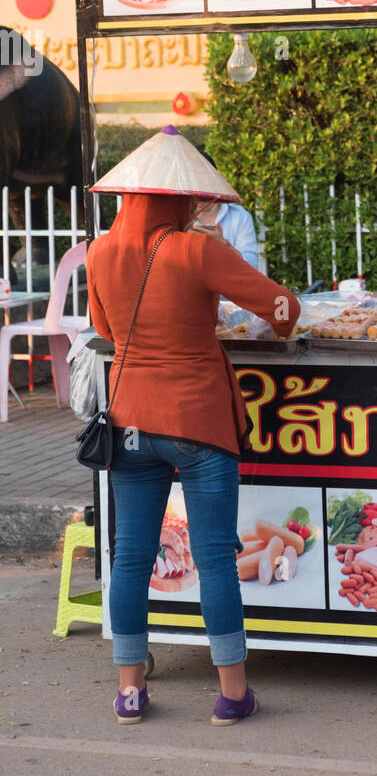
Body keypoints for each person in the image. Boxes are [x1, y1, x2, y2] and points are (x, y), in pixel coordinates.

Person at [86, 126, 299, 727]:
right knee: (213, 556)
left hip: (129, 420)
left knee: (130, 556)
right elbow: (281, 305)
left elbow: (103, 327)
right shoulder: (198, 249)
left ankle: (130, 692)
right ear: (178, 198)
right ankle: (232, 693)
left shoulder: (99, 252)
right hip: (199, 420)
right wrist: (281, 326)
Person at [190, 150, 260, 269]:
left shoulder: (239, 216)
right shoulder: (178, 218)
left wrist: (223, 243)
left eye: (204, 197)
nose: (198, 202)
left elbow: (251, 265)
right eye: (192, 193)